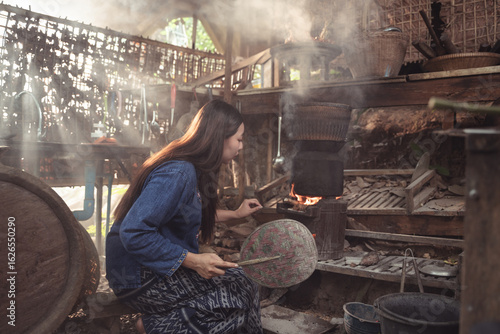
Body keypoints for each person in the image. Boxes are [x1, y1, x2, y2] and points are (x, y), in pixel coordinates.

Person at [105, 99, 264, 334]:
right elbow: (134, 232)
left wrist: (236, 214)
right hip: (136, 277)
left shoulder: (194, 169)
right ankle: (155, 327)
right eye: (239, 139)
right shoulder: (178, 172)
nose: (241, 147)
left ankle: (160, 324)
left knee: (244, 282)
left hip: (151, 269)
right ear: (220, 136)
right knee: (238, 297)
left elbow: (184, 214)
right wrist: (194, 260)